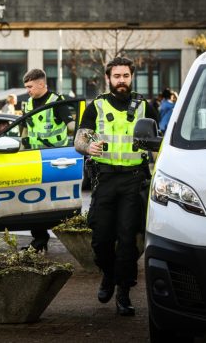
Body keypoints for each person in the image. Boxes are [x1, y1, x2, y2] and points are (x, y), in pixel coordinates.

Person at [74, 57, 159, 316]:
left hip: (134, 180)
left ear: (132, 77)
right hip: (106, 179)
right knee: (100, 240)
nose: (121, 80)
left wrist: (152, 146)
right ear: (108, 78)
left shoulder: (146, 106)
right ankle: (108, 276)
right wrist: (88, 146)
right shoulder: (96, 106)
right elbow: (79, 139)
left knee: (126, 241)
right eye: (117, 76)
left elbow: (160, 140)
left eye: (125, 76)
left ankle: (123, 291)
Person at [21, 69, 75, 251]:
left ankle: (70, 238)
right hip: (34, 157)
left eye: (30, 86)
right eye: (26, 87)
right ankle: (39, 240)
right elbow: (25, 130)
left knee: (58, 201)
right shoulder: (27, 104)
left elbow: (72, 127)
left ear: (42, 84)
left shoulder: (56, 102)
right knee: (34, 202)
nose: (27, 90)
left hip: (56, 159)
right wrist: (20, 151)